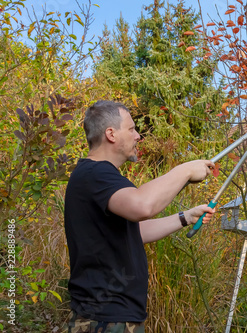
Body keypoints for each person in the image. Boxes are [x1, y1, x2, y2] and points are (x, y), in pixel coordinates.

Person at [64, 100, 215, 333]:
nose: (138, 136)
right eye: (132, 129)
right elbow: (143, 206)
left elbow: (134, 232)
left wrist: (185, 217)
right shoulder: (96, 173)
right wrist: (185, 169)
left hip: (111, 318)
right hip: (105, 319)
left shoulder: (97, 177)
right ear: (111, 134)